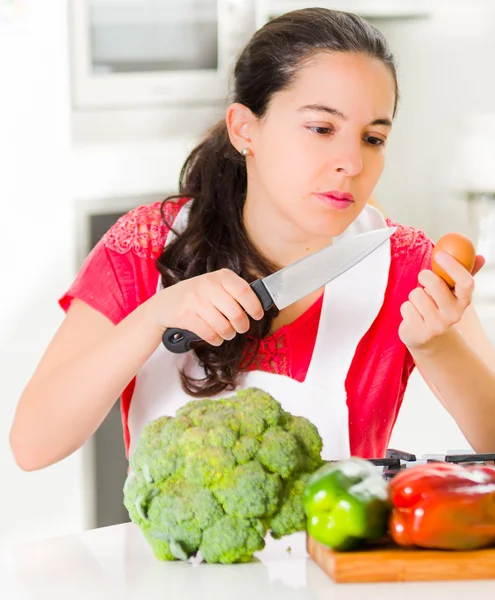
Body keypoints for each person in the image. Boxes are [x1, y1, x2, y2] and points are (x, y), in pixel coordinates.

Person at [10, 8, 495, 471]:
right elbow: (33, 446)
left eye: (373, 138)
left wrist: (437, 346)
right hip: (165, 562)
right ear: (245, 128)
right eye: (321, 128)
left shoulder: (408, 265)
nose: (352, 161)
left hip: (337, 559)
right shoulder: (146, 244)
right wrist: (151, 320)